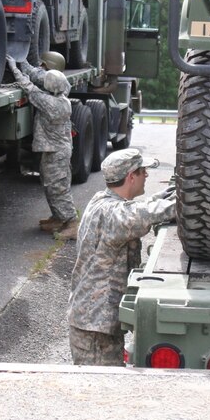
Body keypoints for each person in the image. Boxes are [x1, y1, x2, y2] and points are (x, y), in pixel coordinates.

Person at [68, 148, 175, 366]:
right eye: (143, 171)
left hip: (93, 321)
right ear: (131, 176)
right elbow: (143, 215)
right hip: (95, 326)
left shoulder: (102, 200)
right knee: (100, 390)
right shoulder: (114, 215)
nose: (146, 175)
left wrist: (159, 197)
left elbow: (133, 210)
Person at [5, 55, 78, 235]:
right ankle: (58, 217)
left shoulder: (50, 103)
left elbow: (29, 88)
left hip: (56, 152)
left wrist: (14, 67)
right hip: (54, 150)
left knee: (58, 187)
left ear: (51, 86)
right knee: (48, 183)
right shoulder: (62, 95)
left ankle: (71, 223)